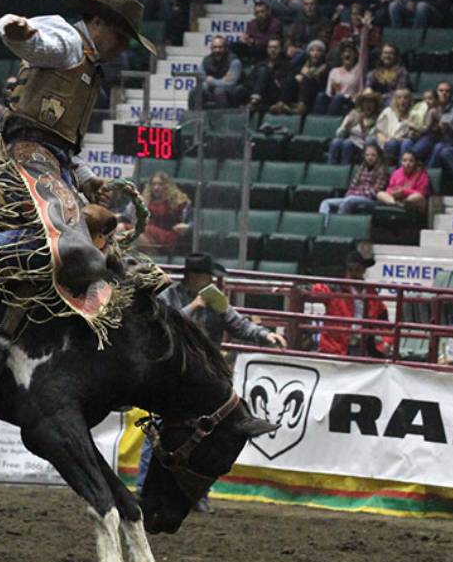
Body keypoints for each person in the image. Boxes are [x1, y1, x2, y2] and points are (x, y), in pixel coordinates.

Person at [0, 0, 157, 290]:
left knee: (91, 242)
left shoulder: (87, 62)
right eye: (120, 36)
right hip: (29, 156)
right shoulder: (70, 43)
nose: (124, 46)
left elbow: (61, 141)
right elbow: (38, 45)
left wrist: (85, 178)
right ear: (97, 21)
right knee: (71, 245)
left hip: (49, 161)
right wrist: (21, 34)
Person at [142, 251, 286, 512]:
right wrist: (194, 307)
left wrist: (265, 336)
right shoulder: (170, 296)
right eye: (208, 276)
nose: (212, 280)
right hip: (175, 376)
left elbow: (238, 323)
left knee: (208, 439)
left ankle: (197, 494)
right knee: (162, 429)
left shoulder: (215, 301)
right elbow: (161, 323)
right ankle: (145, 487)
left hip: (205, 381)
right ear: (196, 277)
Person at [311, 250, 391, 357]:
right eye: (353, 268)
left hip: (363, 345)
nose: (356, 271)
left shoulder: (371, 293)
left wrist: (387, 342)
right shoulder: (336, 288)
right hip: (336, 347)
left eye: (359, 268)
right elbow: (316, 291)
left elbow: (385, 322)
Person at [319, 142, 388, 220]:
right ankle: (324, 226)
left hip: (370, 200)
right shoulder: (362, 168)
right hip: (353, 197)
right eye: (367, 155)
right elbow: (353, 185)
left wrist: (356, 195)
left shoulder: (382, 171)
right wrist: (350, 194)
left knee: (349, 200)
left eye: (373, 155)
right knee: (325, 203)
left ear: (378, 156)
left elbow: (375, 191)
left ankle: (339, 224)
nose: (370, 157)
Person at [327, 87, 380, 164]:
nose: (368, 105)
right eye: (366, 101)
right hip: (350, 141)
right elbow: (339, 134)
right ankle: (331, 169)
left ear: (375, 104)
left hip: (363, 147)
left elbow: (370, 140)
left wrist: (362, 126)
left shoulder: (378, 118)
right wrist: (345, 126)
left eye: (371, 102)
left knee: (347, 143)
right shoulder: (354, 113)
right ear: (362, 103)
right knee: (336, 142)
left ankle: (345, 170)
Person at [139, 171, 190, 251]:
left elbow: (192, 221)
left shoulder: (177, 201)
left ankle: (154, 254)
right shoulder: (146, 201)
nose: (156, 187)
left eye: (160, 184)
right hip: (147, 233)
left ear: (167, 186)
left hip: (167, 236)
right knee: (120, 228)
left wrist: (187, 226)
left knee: (134, 232)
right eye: (153, 184)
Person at [315, 39, 368, 116]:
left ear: (355, 55)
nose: (347, 54)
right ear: (341, 55)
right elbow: (328, 92)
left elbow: (364, 53)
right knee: (321, 96)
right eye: (344, 52)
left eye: (350, 51)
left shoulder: (359, 70)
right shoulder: (334, 71)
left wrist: (364, 31)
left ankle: (328, 122)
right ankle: (317, 121)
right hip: (334, 100)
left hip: (351, 101)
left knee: (338, 97)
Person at [248, 37, 297, 115]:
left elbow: (290, 83)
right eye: (270, 47)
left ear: (281, 49)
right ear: (267, 49)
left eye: (275, 47)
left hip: (278, 96)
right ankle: (255, 100)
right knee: (263, 70)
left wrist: (274, 80)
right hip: (262, 95)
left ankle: (256, 101)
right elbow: (250, 81)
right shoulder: (261, 64)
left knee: (264, 71)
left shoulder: (288, 65)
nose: (272, 50)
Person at [194, 36, 244, 109]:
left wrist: (211, 80)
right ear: (211, 48)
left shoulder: (234, 61)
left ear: (226, 48)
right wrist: (220, 81)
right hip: (212, 89)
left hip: (232, 91)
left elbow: (229, 84)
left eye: (220, 47)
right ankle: (194, 118)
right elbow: (200, 76)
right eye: (215, 47)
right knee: (196, 91)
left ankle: (222, 119)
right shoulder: (206, 60)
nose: (217, 50)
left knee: (219, 91)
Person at [427, 81, 453, 169]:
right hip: (430, 139)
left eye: (447, 91)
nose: (444, 93)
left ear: (451, 95)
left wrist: (448, 128)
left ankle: (428, 173)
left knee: (438, 147)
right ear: (436, 93)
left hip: (449, 143)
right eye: (441, 91)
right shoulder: (430, 109)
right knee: (408, 143)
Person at [375, 88, 413, 161]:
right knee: (391, 144)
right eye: (399, 98)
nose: (402, 100)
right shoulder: (388, 111)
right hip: (386, 142)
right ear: (395, 100)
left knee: (404, 143)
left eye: (405, 98)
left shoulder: (413, 114)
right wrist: (386, 140)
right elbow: (379, 131)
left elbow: (410, 136)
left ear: (409, 100)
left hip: (401, 142)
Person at [292, 39, 329, 115]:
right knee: (292, 79)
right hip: (304, 93)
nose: (315, 54)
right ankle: (283, 104)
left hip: (318, 93)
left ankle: (302, 105)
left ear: (323, 53)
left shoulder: (326, 67)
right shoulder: (303, 65)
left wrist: (307, 74)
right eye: (312, 51)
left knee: (307, 78)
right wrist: (298, 76)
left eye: (318, 51)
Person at [404, 88, 440, 163]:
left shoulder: (433, 111)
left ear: (436, 100)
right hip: (423, 136)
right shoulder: (425, 110)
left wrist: (412, 126)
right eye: (425, 99)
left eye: (430, 98)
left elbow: (426, 129)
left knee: (412, 153)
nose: (427, 101)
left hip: (430, 138)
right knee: (406, 144)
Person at [389, 0, 453, 28]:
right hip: (417, 8)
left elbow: (444, 4)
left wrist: (427, 4)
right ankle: (397, 31)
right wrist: (411, 1)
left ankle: (416, 32)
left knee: (422, 5)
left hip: (436, 12)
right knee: (394, 5)